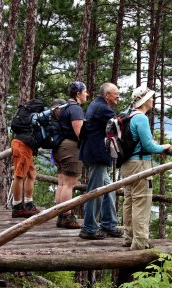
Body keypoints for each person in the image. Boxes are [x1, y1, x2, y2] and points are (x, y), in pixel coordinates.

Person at [120, 86, 172, 250]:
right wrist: (163, 147)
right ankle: (140, 243)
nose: (152, 100)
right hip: (140, 165)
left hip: (126, 164)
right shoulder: (141, 118)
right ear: (144, 100)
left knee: (128, 201)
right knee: (141, 202)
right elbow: (148, 145)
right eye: (150, 97)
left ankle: (128, 238)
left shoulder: (128, 115)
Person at [78, 82, 124, 240]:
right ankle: (89, 228)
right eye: (116, 93)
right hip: (97, 155)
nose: (118, 96)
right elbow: (119, 124)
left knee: (108, 189)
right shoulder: (103, 108)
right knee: (96, 192)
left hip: (93, 153)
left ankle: (108, 223)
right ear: (107, 95)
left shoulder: (95, 104)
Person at [52, 81, 87, 229]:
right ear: (78, 94)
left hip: (60, 147)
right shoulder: (76, 109)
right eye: (85, 92)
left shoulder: (65, 107)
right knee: (69, 184)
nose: (87, 94)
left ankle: (61, 215)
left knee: (62, 183)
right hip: (71, 148)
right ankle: (67, 216)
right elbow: (80, 134)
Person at [11, 110, 41, 218]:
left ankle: (28, 204)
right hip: (22, 145)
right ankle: (17, 206)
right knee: (19, 176)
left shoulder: (34, 115)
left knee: (31, 174)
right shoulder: (39, 115)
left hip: (26, 146)